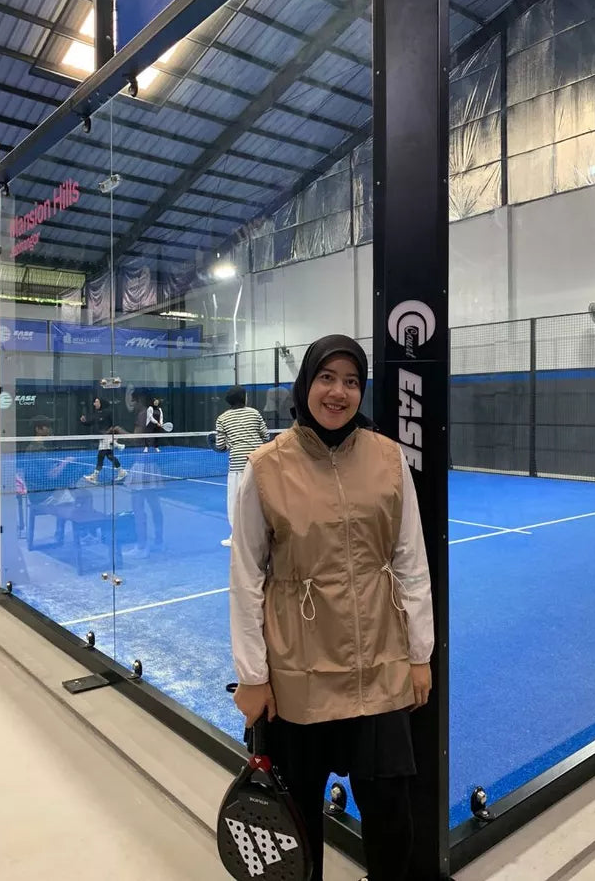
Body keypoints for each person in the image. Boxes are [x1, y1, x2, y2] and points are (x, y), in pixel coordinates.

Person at [228, 335, 434, 881]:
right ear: (307, 385)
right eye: (327, 377)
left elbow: (411, 560)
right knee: (296, 827)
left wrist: (419, 655)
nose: (338, 391)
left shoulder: (389, 458)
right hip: (300, 672)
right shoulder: (265, 467)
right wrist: (252, 677)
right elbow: (246, 577)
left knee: (392, 818)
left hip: (381, 666)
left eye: (351, 380)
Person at [215, 385, 269, 547]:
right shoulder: (255, 413)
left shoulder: (222, 419)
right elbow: (265, 436)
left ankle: (236, 537)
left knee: (236, 502)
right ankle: (264, 535)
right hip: (259, 462)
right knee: (261, 501)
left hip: (238, 466)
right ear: (244, 398)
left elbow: (220, 446)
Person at [80, 396, 127, 483]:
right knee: (109, 456)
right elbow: (91, 422)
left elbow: (115, 424)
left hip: (108, 437)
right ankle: (121, 472)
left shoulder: (108, 412)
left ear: (101, 403)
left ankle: (94, 476)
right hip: (101, 438)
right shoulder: (97, 413)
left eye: (96, 402)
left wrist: (114, 437)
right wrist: (84, 422)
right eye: (94, 402)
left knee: (101, 456)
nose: (94, 404)